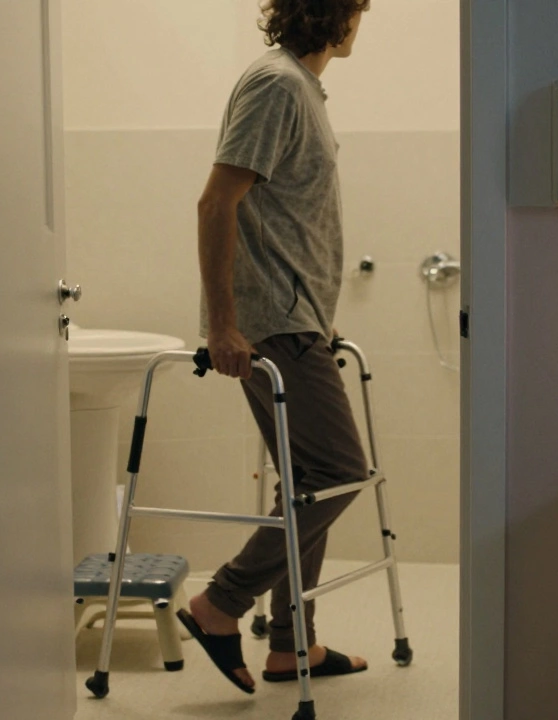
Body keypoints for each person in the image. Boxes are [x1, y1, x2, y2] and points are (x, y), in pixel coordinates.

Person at [177, 0, 371, 695]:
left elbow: (282, 215)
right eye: (359, 10)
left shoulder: (301, 88)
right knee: (339, 472)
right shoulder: (277, 85)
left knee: (309, 482)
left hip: (299, 320)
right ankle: (221, 604)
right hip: (273, 323)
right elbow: (216, 201)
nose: (361, 23)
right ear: (336, 15)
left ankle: (292, 645)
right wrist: (222, 325)